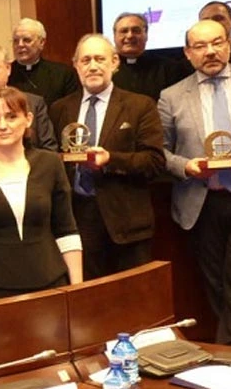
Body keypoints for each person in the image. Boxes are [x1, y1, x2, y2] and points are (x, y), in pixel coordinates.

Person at [158, 19, 231, 347]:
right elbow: (157, 151)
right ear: (188, 53)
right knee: (216, 286)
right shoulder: (171, 96)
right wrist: (186, 166)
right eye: (201, 46)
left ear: (229, 45)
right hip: (201, 203)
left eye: (217, 42)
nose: (211, 51)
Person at [49, 34, 165, 279]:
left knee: (134, 301)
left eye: (100, 59)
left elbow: (154, 161)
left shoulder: (140, 106)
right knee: (90, 303)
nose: (92, 66)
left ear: (114, 62)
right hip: (79, 220)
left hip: (127, 222)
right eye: (86, 60)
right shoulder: (60, 109)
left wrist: (110, 159)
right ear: (76, 65)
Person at [0, 87, 82, 303]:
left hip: (49, 282)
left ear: (28, 119)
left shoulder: (50, 164)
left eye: (11, 117)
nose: (3, 125)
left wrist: (78, 288)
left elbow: (66, 230)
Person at [111, 12, 191, 100]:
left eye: (136, 31)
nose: (130, 35)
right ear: (114, 36)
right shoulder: (105, 68)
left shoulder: (168, 67)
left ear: (146, 35)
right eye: (124, 31)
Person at [8, 18, 80, 107]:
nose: (20, 45)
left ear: (41, 42)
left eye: (26, 40)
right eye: (16, 41)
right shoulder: (6, 74)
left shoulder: (63, 74)